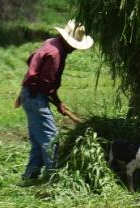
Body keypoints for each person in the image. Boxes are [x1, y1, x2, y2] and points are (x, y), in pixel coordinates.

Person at [16, 20, 92, 182]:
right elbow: (46, 84)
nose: (74, 49)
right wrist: (58, 103)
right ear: (68, 41)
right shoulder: (56, 54)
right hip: (35, 96)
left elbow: (32, 61)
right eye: (74, 46)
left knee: (39, 140)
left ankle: (30, 175)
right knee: (51, 138)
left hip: (29, 95)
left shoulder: (51, 42)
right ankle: (54, 178)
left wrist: (57, 102)